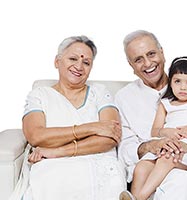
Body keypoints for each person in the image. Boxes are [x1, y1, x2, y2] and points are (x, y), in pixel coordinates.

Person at [115, 30, 187, 200]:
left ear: (162, 52)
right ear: (130, 65)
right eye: (138, 59)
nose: (147, 63)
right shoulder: (124, 98)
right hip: (158, 162)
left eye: (151, 54)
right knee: (176, 179)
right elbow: (126, 144)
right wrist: (149, 146)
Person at [10, 36, 126, 200]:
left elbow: (110, 137)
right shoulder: (39, 96)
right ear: (57, 61)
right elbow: (36, 136)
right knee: (51, 179)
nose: (79, 66)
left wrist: (55, 151)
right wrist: (91, 127)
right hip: (52, 165)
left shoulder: (100, 93)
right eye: (72, 58)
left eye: (86, 62)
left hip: (96, 160)